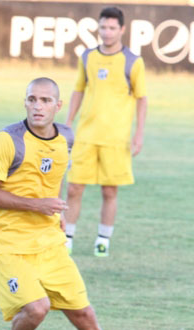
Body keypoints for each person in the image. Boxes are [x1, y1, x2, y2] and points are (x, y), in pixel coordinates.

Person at [0, 77, 153, 330]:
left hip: (50, 244)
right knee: (37, 308)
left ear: (58, 106)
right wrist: (37, 205)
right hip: (10, 244)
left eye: (45, 100)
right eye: (32, 99)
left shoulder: (65, 139)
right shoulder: (7, 141)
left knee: (85, 316)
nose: (37, 106)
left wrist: (54, 208)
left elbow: (51, 177)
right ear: (25, 102)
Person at [64, 6, 147, 257]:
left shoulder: (133, 61)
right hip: (86, 135)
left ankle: (103, 240)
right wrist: (67, 124)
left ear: (122, 29)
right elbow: (78, 90)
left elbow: (142, 99)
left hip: (115, 139)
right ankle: (66, 238)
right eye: (103, 27)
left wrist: (138, 134)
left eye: (112, 28)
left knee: (109, 190)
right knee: (73, 188)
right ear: (97, 28)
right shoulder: (87, 57)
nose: (107, 32)